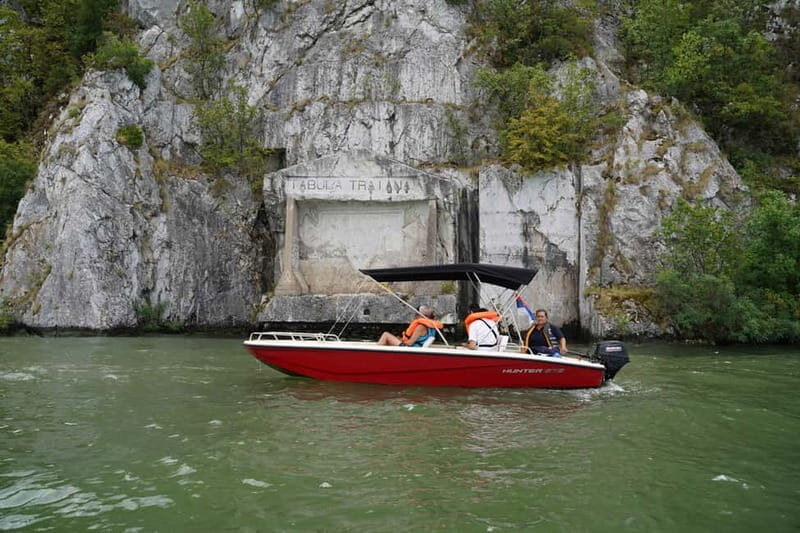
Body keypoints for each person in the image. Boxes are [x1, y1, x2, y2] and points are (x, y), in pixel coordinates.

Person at [377, 305, 443, 347]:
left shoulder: (420, 327)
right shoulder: (432, 326)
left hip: (411, 348)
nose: (415, 316)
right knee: (388, 341)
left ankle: (375, 357)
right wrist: (400, 339)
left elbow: (410, 343)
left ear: (420, 316)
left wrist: (402, 341)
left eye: (417, 314)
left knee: (386, 335)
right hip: (415, 346)